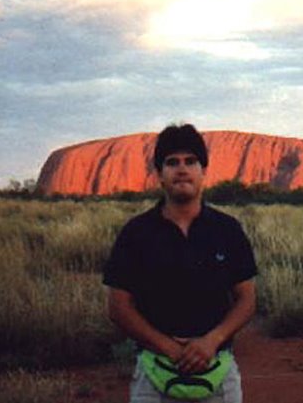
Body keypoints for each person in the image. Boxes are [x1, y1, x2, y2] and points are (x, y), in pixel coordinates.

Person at [103, 123, 257, 403]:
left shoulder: (227, 229)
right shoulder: (136, 233)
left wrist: (211, 341)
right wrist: (170, 349)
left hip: (218, 371)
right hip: (154, 374)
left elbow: (246, 299)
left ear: (204, 171)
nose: (182, 169)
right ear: (159, 175)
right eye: (172, 162)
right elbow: (118, 306)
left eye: (191, 161)